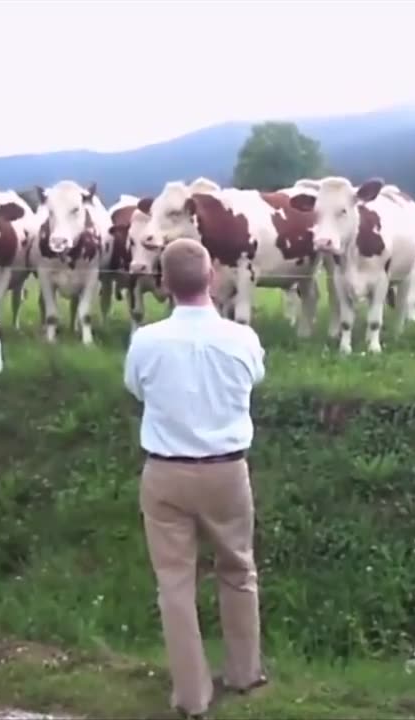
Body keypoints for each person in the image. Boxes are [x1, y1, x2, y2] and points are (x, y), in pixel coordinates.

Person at [122, 238, 268, 719]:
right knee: (238, 569)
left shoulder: (145, 340)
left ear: (163, 283)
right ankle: (245, 672)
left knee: (175, 583)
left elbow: (136, 388)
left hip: (166, 471)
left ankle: (191, 695)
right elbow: (255, 380)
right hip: (227, 469)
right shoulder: (242, 337)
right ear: (213, 277)